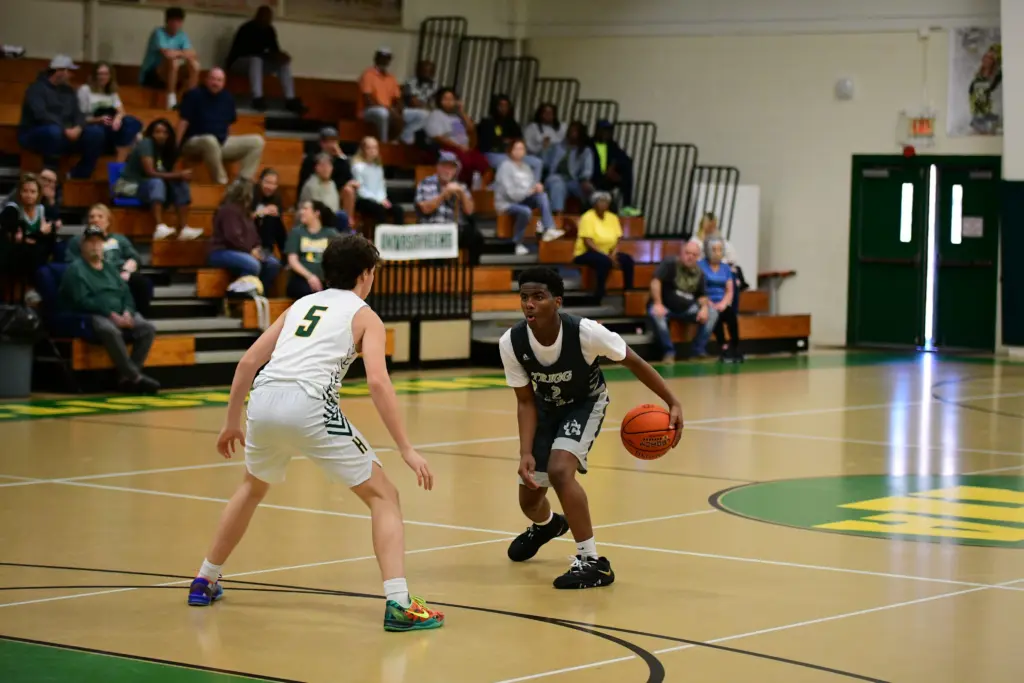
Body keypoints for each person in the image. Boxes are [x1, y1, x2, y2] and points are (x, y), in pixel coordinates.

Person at [186, 234, 445, 633]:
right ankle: (398, 603)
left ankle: (204, 579)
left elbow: (248, 362)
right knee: (384, 496)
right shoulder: (365, 316)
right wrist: (406, 448)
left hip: (263, 400)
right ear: (366, 274)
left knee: (251, 488)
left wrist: (232, 421)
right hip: (310, 404)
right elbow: (378, 382)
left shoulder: (300, 305)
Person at [498, 267, 683, 588]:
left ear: (557, 302)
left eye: (538, 297)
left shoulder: (587, 333)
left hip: (585, 404)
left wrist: (673, 402)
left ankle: (593, 562)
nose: (529, 303)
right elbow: (525, 402)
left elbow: (635, 361)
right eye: (524, 297)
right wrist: (525, 451)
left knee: (560, 471)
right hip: (545, 408)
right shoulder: (511, 342)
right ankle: (548, 525)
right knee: (529, 502)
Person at [58, 225, 160, 394]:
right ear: (82, 245)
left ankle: (126, 378)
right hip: (92, 314)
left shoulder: (110, 268)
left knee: (147, 328)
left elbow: (126, 293)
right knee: (110, 329)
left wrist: (127, 311)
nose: (95, 246)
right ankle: (135, 377)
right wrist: (111, 314)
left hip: (119, 312)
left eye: (98, 242)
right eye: (91, 242)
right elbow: (82, 301)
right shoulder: (75, 269)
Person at [18, 55, 105, 179]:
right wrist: (64, 128)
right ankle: (51, 172)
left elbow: (79, 113)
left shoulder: (69, 91)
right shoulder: (36, 89)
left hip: (65, 133)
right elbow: (41, 114)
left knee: (96, 133)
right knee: (53, 131)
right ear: (59, 71)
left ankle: (80, 174)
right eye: (69, 71)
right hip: (36, 133)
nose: (71, 75)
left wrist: (79, 127)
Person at [115, 118, 199, 241]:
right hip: (128, 186)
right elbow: (150, 172)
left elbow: (165, 173)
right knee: (157, 182)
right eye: (157, 132)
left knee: (179, 182)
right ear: (151, 133)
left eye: (165, 133)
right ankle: (159, 227)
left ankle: (184, 228)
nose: (161, 135)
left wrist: (179, 177)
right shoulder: (146, 143)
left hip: (147, 186)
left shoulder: (165, 150)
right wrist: (179, 175)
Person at [177, 68, 265, 185]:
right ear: (206, 80)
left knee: (257, 141)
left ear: (224, 83)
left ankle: (241, 183)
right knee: (210, 140)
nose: (215, 83)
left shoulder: (227, 98)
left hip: (220, 142)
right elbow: (183, 122)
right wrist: (175, 146)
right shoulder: (194, 95)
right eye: (213, 79)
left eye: (219, 80)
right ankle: (221, 183)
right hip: (194, 142)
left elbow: (228, 125)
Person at [65, 204, 152, 317]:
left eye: (100, 216)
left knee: (140, 282)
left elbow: (134, 257)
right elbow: (72, 262)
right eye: (92, 217)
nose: (95, 220)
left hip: (120, 274)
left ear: (108, 221)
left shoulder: (119, 239)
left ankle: (136, 317)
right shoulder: (78, 241)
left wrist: (127, 269)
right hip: (94, 275)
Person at [224, 5, 306, 114]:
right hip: (238, 63)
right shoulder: (247, 28)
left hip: (258, 63)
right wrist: (270, 56)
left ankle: (290, 98)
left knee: (283, 63)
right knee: (256, 60)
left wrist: (280, 56)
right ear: (257, 16)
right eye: (264, 16)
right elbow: (249, 52)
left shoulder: (269, 30)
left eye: (268, 17)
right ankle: (257, 97)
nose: (266, 19)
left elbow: (274, 50)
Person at [208, 179, 281, 295]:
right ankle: (237, 295)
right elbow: (232, 237)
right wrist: (250, 251)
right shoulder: (228, 210)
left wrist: (257, 248)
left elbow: (255, 236)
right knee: (252, 264)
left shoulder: (245, 211)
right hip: (222, 251)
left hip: (244, 250)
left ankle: (260, 294)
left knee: (273, 263)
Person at [649, 240, 717, 361]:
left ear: (698, 257)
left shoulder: (699, 273)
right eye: (687, 253)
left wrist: (704, 308)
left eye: (694, 255)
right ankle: (669, 352)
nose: (690, 257)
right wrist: (658, 303)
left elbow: (702, 295)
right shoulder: (670, 263)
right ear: (681, 253)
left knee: (712, 313)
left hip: (688, 309)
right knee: (656, 314)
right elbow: (656, 281)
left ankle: (698, 350)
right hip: (666, 307)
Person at [494, 139, 563, 255]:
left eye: (522, 149)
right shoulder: (505, 167)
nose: (519, 151)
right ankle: (517, 242)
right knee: (525, 211)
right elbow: (511, 193)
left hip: (522, 199)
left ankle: (549, 228)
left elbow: (531, 185)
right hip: (507, 203)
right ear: (510, 151)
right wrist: (530, 191)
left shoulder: (526, 167)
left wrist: (537, 188)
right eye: (516, 149)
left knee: (542, 196)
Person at [414, 151, 482, 265]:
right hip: (432, 230)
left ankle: (472, 272)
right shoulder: (425, 183)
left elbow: (469, 211)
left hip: (456, 230)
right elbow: (425, 209)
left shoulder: (461, 186)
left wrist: (462, 193)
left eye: (451, 168)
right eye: (445, 166)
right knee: (439, 242)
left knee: (476, 237)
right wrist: (444, 194)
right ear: (438, 167)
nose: (448, 171)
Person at [358, 47, 428, 144]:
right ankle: (384, 143)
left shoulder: (391, 77)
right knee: (383, 113)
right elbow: (368, 100)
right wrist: (389, 110)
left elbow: (397, 98)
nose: (384, 61)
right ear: (376, 58)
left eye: (387, 58)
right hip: (369, 110)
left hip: (389, 110)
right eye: (382, 58)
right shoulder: (368, 74)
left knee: (423, 115)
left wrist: (400, 109)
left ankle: (404, 136)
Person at [77, 62, 143, 163]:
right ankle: (120, 160)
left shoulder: (111, 92)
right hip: (95, 125)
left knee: (133, 122)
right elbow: (81, 118)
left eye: (106, 74)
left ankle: (120, 158)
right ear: (94, 75)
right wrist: (99, 119)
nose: (103, 77)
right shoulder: (85, 90)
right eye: (100, 74)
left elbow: (121, 111)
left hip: (112, 125)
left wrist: (117, 119)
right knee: (134, 136)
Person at [573, 192, 633, 301]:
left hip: (609, 253)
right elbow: (588, 241)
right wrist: (607, 256)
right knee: (604, 261)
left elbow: (618, 239)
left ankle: (628, 293)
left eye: (606, 202)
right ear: (594, 204)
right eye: (601, 202)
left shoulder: (613, 217)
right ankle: (599, 294)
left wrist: (613, 253)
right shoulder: (587, 217)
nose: (603, 204)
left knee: (628, 260)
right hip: (586, 253)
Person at [424, 88, 489, 186]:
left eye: (451, 99)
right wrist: (458, 146)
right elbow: (437, 136)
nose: (449, 102)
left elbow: (471, 129)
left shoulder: (457, 117)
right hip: (448, 148)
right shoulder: (436, 114)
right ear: (439, 101)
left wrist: (462, 111)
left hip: (464, 148)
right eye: (445, 99)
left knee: (482, 162)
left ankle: (475, 189)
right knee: (465, 162)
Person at [139, 6, 199, 110]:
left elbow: (193, 53)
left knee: (194, 64)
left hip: (172, 74)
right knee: (173, 62)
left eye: (179, 21)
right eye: (173, 21)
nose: (176, 24)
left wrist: (178, 53)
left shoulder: (182, 35)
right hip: (153, 73)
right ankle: (171, 100)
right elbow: (167, 54)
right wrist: (182, 53)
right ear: (167, 21)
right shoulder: (158, 33)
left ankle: (191, 99)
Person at [284, 200, 340, 299]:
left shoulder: (331, 234)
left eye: (305, 209)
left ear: (316, 213)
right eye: (301, 209)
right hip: (302, 279)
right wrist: (310, 276)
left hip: (326, 280)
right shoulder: (297, 232)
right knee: (306, 291)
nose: (301, 212)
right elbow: (292, 260)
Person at [700, 236, 743, 362]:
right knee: (715, 316)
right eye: (714, 250)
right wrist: (710, 303)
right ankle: (723, 346)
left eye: (719, 249)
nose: (717, 253)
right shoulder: (701, 266)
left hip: (722, 301)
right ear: (708, 251)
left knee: (731, 317)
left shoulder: (725, 268)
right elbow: (699, 289)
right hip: (707, 302)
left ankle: (735, 346)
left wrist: (724, 303)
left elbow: (729, 290)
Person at [478, 95, 542, 179]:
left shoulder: (512, 123)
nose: (503, 108)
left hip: (513, 154)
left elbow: (519, 139)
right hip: (494, 153)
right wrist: (503, 142)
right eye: (501, 105)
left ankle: (533, 186)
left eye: (506, 106)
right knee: (509, 164)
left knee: (537, 163)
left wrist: (512, 143)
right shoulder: (488, 122)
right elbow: (486, 142)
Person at [298, 127, 357, 218]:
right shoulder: (312, 159)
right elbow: (304, 180)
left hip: (334, 190)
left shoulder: (340, 160)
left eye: (333, 141)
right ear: (321, 143)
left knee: (349, 190)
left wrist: (341, 156)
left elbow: (348, 177)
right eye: (327, 142)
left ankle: (348, 221)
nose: (331, 145)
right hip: (319, 189)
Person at [351, 136, 404, 234]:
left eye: (375, 147)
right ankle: (380, 238)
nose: (372, 151)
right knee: (379, 209)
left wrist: (383, 199)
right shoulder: (357, 167)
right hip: (364, 200)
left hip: (379, 199)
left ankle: (397, 237)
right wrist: (379, 201)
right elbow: (361, 190)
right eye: (369, 148)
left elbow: (381, 187)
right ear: (363, 150)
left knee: (398, 209)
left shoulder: (378, 168)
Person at [544, 121, 594, 213]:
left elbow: (587, 170)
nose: (572, 133)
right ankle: (558, 215)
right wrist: (545, 149)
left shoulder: (585, 151)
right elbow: (545, 163)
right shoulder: (557, 147)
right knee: (558, 185)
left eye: (575, 131)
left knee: (591, 191)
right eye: (571, 130)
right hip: (555, 177)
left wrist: (585, 180)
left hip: (574, 181)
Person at [299, 153, 350, 231]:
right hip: (317, 220)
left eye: (329, 165)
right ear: (316, 168)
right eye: (323, 166)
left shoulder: (332, 184)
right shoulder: (311, 185)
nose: (326, 169)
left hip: (331, 219)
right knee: (342, 217)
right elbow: (317, 209)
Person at [252, 168, 287, 256]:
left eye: (274, 184)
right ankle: (267, 250)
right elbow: (242, 218)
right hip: (251, 229)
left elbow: (278, 223)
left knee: (273, 219)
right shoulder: (252, 193)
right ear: (260, 181)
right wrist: (261, 212)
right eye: (267, 182)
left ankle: (286, 254)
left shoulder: (277, 197)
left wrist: (276, 213)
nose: (270, 187)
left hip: (267, 231)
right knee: (269, 217)